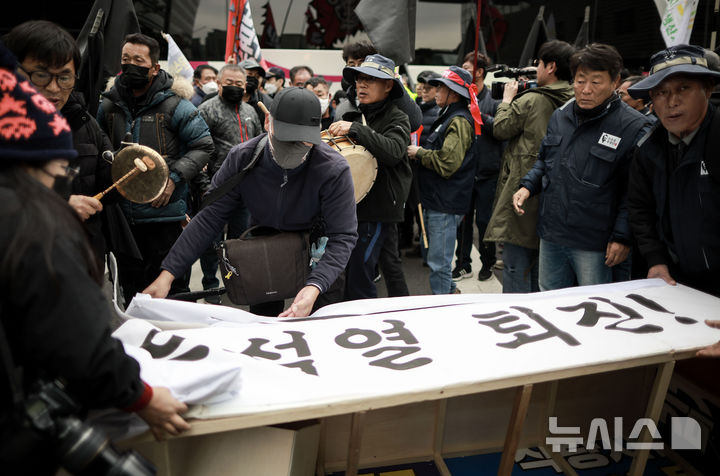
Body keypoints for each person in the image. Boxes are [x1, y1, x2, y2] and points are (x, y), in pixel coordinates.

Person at [0, 43, 188, 473]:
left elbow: (110, 171)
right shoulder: (31, 223)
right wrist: (142, 397)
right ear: (29, 164)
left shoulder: (87, 121)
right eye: (56, 172)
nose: (60, 182)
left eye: (64, 76)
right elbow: (78, 338)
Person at [144, 87, 358, 317]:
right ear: (268, 122)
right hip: (266, 245)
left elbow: (342, 235)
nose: (292, 148)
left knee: (320, 319)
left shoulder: (333, 168)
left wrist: (314, 286)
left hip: (318, 249)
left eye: (302, 141)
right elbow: (209, 218)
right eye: (286, 138)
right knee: (263, 319)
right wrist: (168, 275)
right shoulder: (243, 158)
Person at [513, 43, 651, 290]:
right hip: (552, 234)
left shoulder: (633, 127)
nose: (586, 90)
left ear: (615, 81)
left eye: (596, 82)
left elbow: (636, 193)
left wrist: (622, 237)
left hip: (595, 243)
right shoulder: (561, 115)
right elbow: (546, 159)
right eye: (580, 81)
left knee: (595, 308)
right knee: (550, 302)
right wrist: (528, 186)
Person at [96, 33, 214, 306]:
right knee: (131, 294)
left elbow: (203, 146)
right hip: (123, 221)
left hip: (164, 218)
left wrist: (172, 179)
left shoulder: (177, 105)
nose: (130, 66)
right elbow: (101, 150)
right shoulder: (108, 105)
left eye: (139, 60)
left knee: (174, 297)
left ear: (155, 67)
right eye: (126, 59)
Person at [4, 20, 116, 269]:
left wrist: (135, 173)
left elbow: (108, 182)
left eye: (64, 77)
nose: (54, 89)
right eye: (41, 75)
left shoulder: (85, 123)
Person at [627, 44, 720, 297]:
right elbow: (640, 209)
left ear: (708, 89)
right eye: (660, 92)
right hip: (676, 283)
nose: (671, 101)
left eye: (683, 88)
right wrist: (655, 259)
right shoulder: (647, 149)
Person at [484, 40, 576, 293]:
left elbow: (501, 129)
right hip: (557, 189)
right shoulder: (575, 98)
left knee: (515, 264)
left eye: (538, 64)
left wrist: (507, 100)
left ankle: (515, 314)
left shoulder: (532, 100)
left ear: (551, 67)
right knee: (543, 266)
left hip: (524, 187)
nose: (536, 70)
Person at [329, 54, 412, 300]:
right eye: (359, 79)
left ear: (388, 86)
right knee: (388, 264)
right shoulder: (356, 114)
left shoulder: (397, 117)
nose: (361, 85)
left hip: (378, 209)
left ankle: (360, 324)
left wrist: (355, 129)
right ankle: (405, 310)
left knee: (359, 271)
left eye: (370, 80)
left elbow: (395, 152)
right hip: (360, 206)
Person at [407, 66, 483, 294]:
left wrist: (419, 153)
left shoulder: (458, 120)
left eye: (440, 87)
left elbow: (448, 163)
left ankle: (442, 307)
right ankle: (451, 293)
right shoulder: (449, 114)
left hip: (445, 203)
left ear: (454, 93)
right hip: (439, 199)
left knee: (439, 263)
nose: (434, 91)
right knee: (437, 259)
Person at [196, 64, 262, 300]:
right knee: (211, 242)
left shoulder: (250, 111)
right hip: (215, 188)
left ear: (245, 86)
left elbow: (259, 145)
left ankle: (236, 285)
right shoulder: (206, 110)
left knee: (240, 240)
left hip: (245, 190)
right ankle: (211, 286)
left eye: (239, 84)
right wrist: (204, 186)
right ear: (220, 83)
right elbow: (198, 152)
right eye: (229, 83)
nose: (234, 87)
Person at [453, 51, 504, 282]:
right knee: (462, 221)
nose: (463, 70)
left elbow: (502, 128)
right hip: (465, 170)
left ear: (480, 72)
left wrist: (480, 115)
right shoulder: (461, 96)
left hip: (488, 172)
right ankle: (463, 263)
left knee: (484, 222)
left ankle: (488, 262)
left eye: (467, 67)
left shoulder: (494, 99)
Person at [238, 58, 273, 128]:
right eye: (250, 74)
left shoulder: (267, 103)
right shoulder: (224, 98)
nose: (253, 78)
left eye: (257, 76)